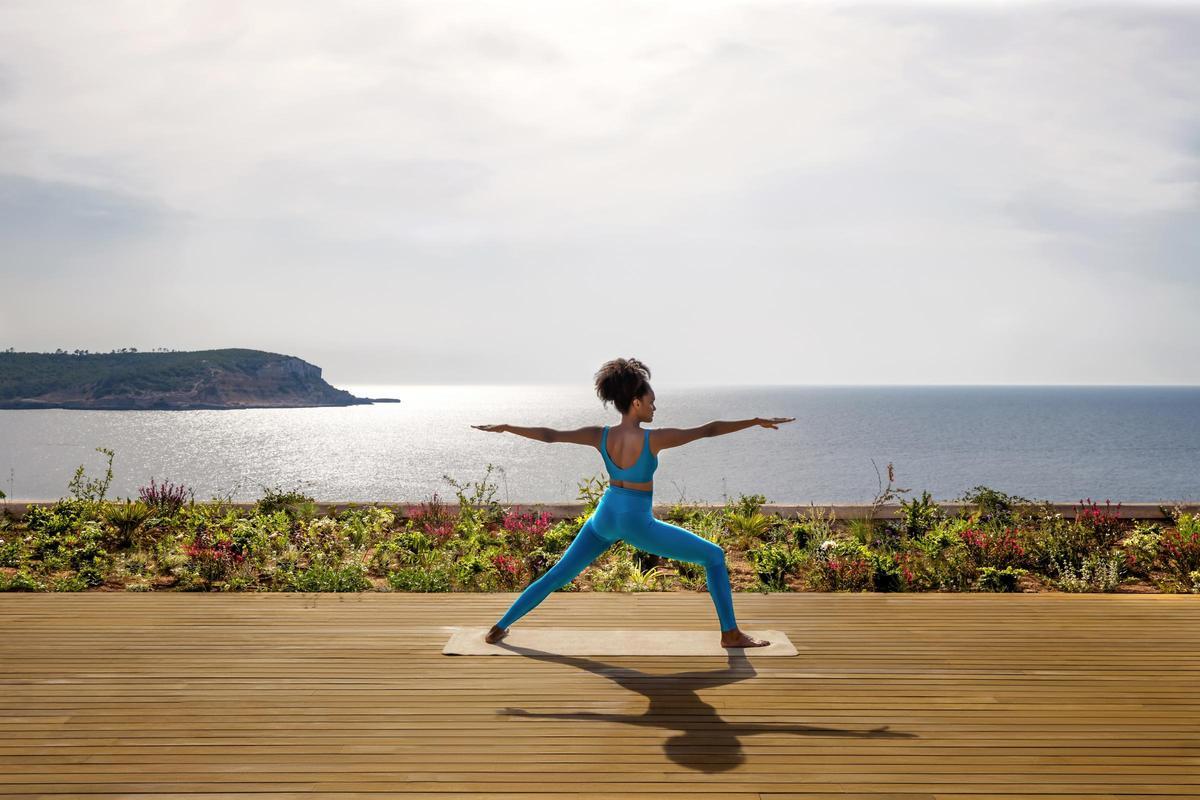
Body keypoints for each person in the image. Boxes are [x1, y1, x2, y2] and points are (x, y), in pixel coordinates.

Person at [472, 357, 795, 649]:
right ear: (636, 402)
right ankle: (731, 634)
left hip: (605, 515)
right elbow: (708, 430)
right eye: (652, 403)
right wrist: (754, 420)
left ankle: (499, 628)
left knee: (557, 574)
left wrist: (508, 427)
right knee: (714, 556)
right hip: (635, 522)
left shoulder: (598, 435)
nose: (655, 409)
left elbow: (550, 435)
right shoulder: (653, 438)